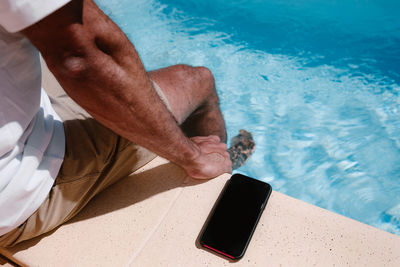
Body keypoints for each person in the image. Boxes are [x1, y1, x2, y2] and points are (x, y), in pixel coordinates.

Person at [0, 0, 253, 247]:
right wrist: (193, 156)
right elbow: (80, 60)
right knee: (198, 81)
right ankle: (220, 165)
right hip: (15, 189)